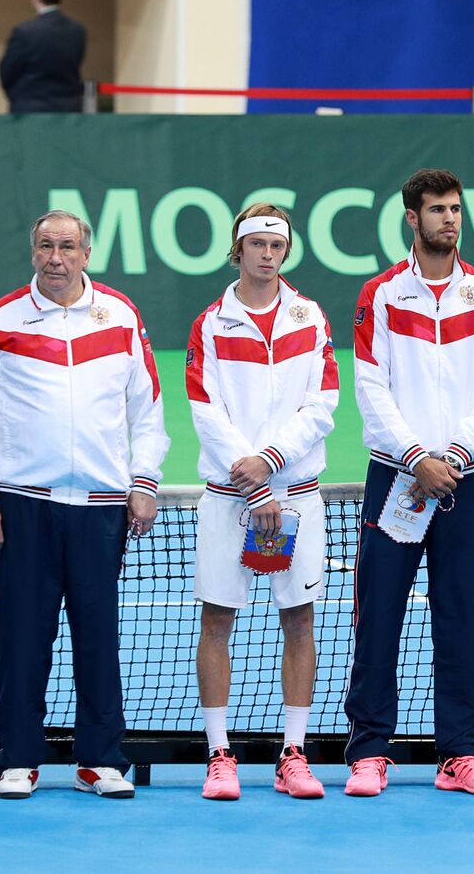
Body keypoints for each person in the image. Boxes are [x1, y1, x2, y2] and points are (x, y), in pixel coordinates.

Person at [0, 210, 168, 799]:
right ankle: (19, 758)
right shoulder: (0, 319)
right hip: (21, 506)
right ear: (33, 252)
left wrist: (144, 481)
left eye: (67, 246)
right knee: (22, 635)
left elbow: (147, 411)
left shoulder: (120, 315)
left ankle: (100, 761)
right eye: (46, 246)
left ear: (87, 252)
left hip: (101, 507)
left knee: (98, 635)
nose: (56, 257)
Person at [343, 169, 474, 797]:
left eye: (456, 210)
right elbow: (371, 387)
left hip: (465, 481)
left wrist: (457, 456)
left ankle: (460, 754)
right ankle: (368, 753)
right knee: (379, 614)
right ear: (412, 219)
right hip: (397, 476)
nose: (450, 219)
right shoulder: (381, 295)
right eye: (437, 210)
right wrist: (417, 457)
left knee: (463, 614)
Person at [186, 203, 339, 800]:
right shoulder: (211, 322)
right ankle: (218, 754)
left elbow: (322, 403)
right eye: (258, 244)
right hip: (230, 499)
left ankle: (293, 754)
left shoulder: (310, 316)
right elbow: (206, 409)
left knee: (299, 620)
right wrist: (253, 483)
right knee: (217, 618)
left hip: (295, 497)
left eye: (278, 244)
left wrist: (271, 465)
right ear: (239, 250)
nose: (268, 254)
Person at [0, 0, 87, 114]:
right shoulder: (78, 31)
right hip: (69, 108)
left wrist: (17, 97)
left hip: (31, 107)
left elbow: (7, 70)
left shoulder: (24, 32)